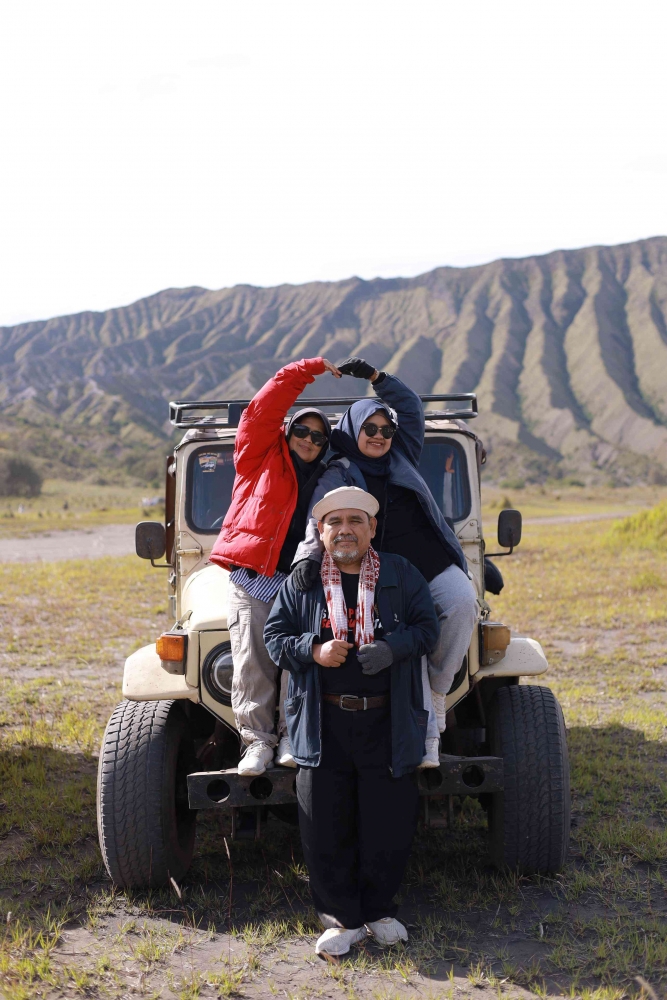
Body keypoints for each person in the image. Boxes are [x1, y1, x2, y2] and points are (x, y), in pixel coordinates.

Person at [265, 486, 439, 957]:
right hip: (323, 722)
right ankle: (341, 919)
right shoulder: (302, 582)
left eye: (356, 521)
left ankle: (380, 912)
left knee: (388, 820)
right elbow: (274, 637)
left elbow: (428, 629)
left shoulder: (401, 573)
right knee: (325, 823)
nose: (345, 530)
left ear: (372, 528)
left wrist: (393, 648)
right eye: (335, 522)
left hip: (387, 720)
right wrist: (314, 650)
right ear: (321, 532)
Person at [291, 357, 478, 766]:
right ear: (353, 429)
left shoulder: (402, 453)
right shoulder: (337, 471)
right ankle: (421, 737)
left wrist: (377, 378)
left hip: (430, 560)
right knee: (400, 641)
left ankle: (438, 692)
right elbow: (320, 515)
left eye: (385, 430)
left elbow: (410, 407)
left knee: (463, 603)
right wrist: (308, 555)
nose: (379, 436)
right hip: (384, 574)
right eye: (370, 428)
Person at [209, 357, 341, 775]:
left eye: (318, 435)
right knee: (252, 662)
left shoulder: (329, 477)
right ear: (288, 431)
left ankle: (288, 737)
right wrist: (307, 369)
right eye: (301, 430)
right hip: (253, 578)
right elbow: (261, 410)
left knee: (294, 664)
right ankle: (256, 743)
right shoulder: (257, 457)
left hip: (301, 582)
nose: (309, 439)